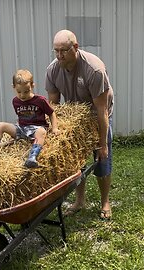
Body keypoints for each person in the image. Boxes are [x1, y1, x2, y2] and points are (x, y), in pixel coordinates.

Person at [45, 29, 114, 220]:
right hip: (74, 117)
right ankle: (80, 200)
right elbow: (53, 107)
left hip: (97, 115)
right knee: (76, 161)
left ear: (75, 47)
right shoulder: (53, 70)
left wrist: (102, 144)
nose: (59, 56)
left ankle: (105, 201)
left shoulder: (94, 70)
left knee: (102, 161)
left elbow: (102, 110)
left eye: (64, 51)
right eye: (56, 51)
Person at [0, 69, 60, 168]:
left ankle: (32, 157)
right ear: (13, 87)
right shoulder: (15, 101)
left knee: (42, 131)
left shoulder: (40, 100)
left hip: (36, 129)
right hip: (21, 129)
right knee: (1, 125)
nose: (22, 95)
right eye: (19, 92)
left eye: (26, 91)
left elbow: (51, 113)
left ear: (32, 86)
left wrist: (55, 128)